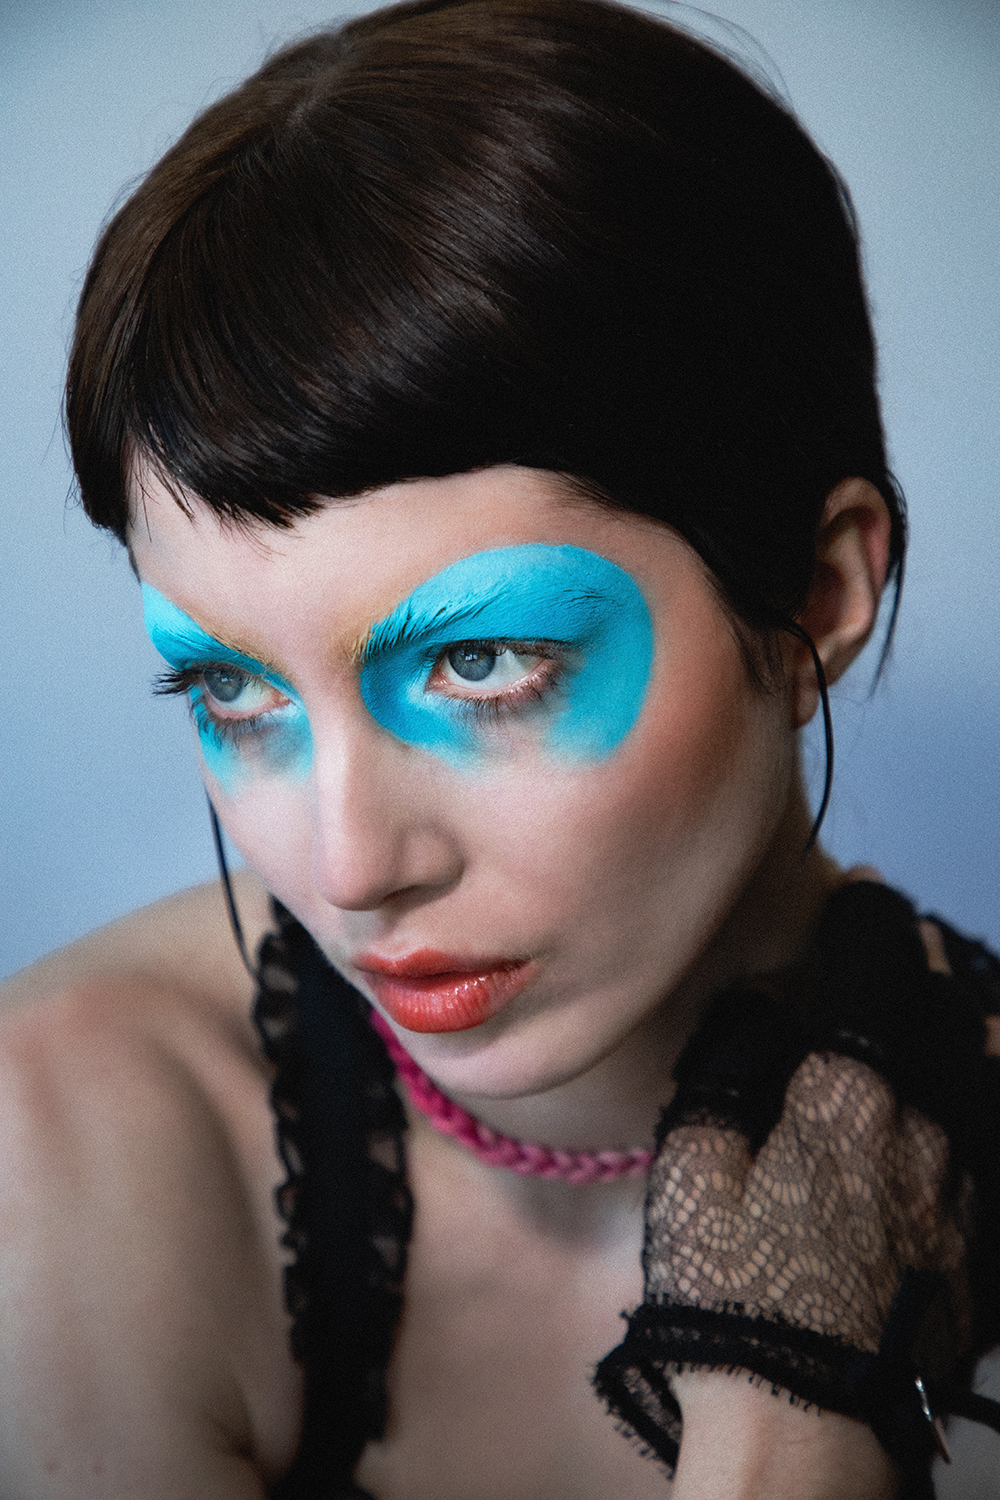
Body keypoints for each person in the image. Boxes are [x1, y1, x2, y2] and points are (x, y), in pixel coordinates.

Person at [2, 1, 998, 1496]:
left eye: (481, 663)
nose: (348, 864)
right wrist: (790, 1431)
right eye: (235, 691)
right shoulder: (64, 1142)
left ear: (818, 589)